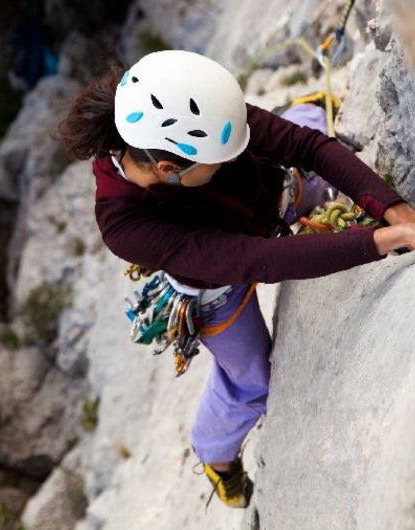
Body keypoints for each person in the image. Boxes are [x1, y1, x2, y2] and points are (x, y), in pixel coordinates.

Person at [58, 50, 415, 509]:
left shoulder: (194, 108)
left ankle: (303, 109)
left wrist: (391, 208)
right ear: (170, 169)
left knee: (305, 130)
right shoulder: (125, 225)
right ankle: (216, 459)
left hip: (275, 196)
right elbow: (258, 260)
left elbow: (306, 148)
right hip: (212, 288)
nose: (230, 158)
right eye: (219, 160)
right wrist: (381, 241)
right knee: (250, 386)